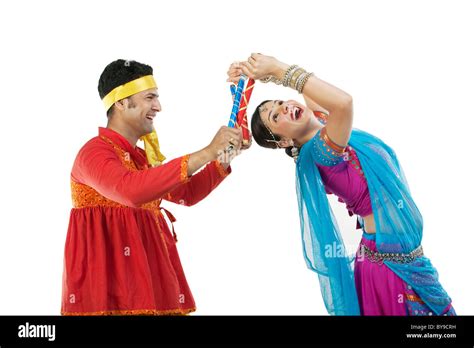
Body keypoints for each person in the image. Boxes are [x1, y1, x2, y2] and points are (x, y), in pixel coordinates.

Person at [227, 53, 456, 316]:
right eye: (276, 118)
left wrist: (258, 74)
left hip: (404, 260)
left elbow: (313, 92)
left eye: (279, 103)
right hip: (389, 271)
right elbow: (343, 102)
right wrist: (278, 70)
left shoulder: (323, 123)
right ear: (284, 142)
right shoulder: (322, 152)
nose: (284, 108)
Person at [61, 59, 243, 315]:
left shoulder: (141, 159)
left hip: (150, 288)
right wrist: (207, 151)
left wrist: (223, 156)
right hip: (110, 296)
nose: (158, 106)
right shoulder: (94, 153)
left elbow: (186, 195)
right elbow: (130, 192)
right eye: (150, 97)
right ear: (122, 102)